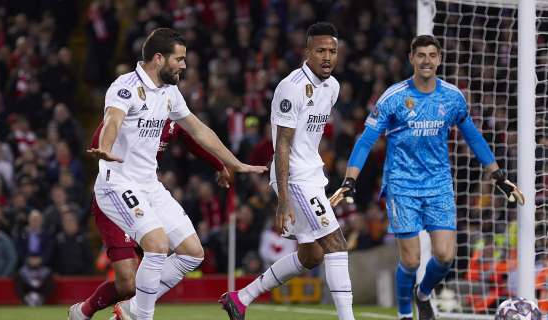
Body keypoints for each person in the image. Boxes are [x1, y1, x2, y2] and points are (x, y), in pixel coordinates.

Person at [329, 35, 524, 320]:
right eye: (421, 55)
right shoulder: (394, 98)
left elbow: (474, 137)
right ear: (411, 58)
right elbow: (365, 140)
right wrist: (350, 181)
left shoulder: (452, 97)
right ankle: (405, 313)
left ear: (440, 58)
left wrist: (498, 176)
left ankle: (423, 294)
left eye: (432, 55)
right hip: (402, 185)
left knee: (445, 255)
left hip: (438, 184)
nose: (427, 61)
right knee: (411, 259)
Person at [83, 28, 266, 320]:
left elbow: (198, 130)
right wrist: (105, 147)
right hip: (116, 183)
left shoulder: (170, 92)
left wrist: (234, 162)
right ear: (158, 58)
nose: (183, 65)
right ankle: (141, 317)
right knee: (157, 246)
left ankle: (129, 310)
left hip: (148, 185)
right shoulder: (125, 86)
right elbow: (112, 120)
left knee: (193, 253)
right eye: (179, 59)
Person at [219, 22, 355, 320]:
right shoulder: (291, 88)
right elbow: (282, 146)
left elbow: (311, 138)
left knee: (312, 255)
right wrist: (282, 199)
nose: (327, 57)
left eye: (332, 51)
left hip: (313, 175)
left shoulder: (333, 87)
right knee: (335, 243)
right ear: (307, 52)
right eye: (320, 50)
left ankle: (241, 298)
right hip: (293, 178)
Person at [68, 116, 231, 319]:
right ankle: (86, 311)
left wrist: (219, 165)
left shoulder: (174, 113)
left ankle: (129, 309)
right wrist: (108, 149)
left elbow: (194, 141)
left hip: (146, 194)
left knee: (184, 256)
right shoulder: (134, 107)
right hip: (117, 194)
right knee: (128, 282)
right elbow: (98, 141)